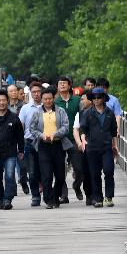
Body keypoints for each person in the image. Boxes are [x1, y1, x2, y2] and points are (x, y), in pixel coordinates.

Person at [30, 87, 73, 208]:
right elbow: (32, 129)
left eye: (50, 99)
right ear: (42, 99)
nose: (48, 101)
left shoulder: (60, 111)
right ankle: (48, 199)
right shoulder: (37, 112)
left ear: (53, 98)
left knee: (60, 175)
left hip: (58, 145)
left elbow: (66, 126)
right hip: (43, 146)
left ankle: (56, 195)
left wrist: (56, 134)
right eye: (45, 99)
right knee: (46, 174)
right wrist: (42, 135)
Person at [79, 87, 119, 208]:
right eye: (94, 98)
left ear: (103, 98)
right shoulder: (87, 113)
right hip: (92, 147)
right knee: (94, 173)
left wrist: (115, 146)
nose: (96, 100)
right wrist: (83, 141)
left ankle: (109, 197)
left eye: (99, 97)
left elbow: (113, 131)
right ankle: (97, 198)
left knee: (108, 171)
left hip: (106, 146)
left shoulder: (110, 113)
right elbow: (83, 129)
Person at [54, 75, 83, 203]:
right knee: (60, 169)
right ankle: (63, 195)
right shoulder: (54, 102)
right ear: (57, 86)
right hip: (59, 139)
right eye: (60, 83)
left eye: (65, 83)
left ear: (70, 85)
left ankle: (77, 186)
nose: (62, 85)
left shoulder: (77, 101)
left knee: (79, 168)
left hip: (73, 139)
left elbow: (83, 118)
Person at [18, 82, 44, 206]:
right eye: (33, 92)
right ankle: (35, 196)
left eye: (38, 91)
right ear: (30, 93)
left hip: (45, 143)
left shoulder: (48, 106)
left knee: (45, 170)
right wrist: (19, 144)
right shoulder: (25, 108)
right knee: (32, 172)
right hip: (30, 143)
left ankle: (47, 192)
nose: (36, 94)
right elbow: (21, 126)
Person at [7, 84, 29, 194]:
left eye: (15, 90)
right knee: (10, 164)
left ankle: (23, 180)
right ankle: (13, 187)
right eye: (11, 91)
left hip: (22, 138)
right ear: (8, 93)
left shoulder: (24, 106)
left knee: (22, 163)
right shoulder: (4, 107)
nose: (14, 93)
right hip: (8, 139)